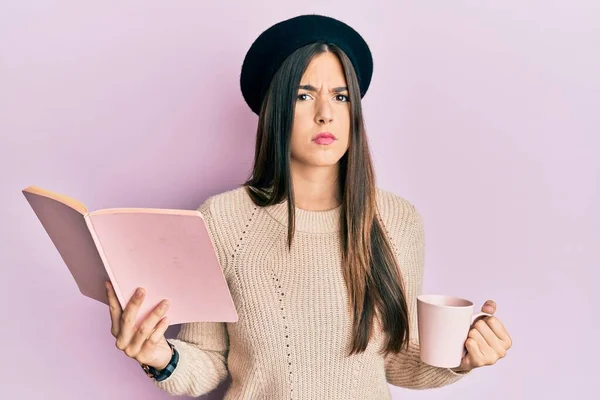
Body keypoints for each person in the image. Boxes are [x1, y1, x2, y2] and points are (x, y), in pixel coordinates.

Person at [105, 14, 512, 399]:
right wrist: (159, 356)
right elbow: (209, 361)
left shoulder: (397, 221)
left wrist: (462, 356)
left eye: (340, 96)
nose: (325, 114)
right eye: (303, 95)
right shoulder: (223, 219)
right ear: (276, 110)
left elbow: (395, 359)